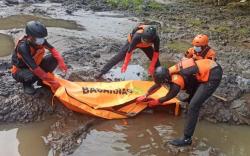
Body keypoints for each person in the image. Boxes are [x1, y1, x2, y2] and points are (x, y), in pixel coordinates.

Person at [137, 58, 223, 146]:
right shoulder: (167, 72)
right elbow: (158, 83)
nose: (162, 84)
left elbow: (169, 96)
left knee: (193, 106)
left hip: (213, 74)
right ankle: (192, 97)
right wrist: (146, 94)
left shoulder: (177, 82)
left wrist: (157, 102)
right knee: (191, 88)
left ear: (165, 80)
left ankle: (187, 139)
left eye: (163, 83)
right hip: (207, 65)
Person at [11, 21, 67, 95]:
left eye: (42, 37)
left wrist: (61, 62)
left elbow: (52, 50)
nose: (42, 39)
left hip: (35, 64)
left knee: (54, 58)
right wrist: (51, 80)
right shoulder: (23, 47)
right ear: (30, 36)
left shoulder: (39, 41)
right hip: (20, 70)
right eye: (39, 37)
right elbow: (34, 68)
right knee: (32, 75)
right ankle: (27, 84)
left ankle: (42, 81)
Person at [96, 24, 161, 78]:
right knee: (120, 56)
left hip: (147, 47)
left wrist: (152, 66)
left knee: (156, 62)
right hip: (133, 43)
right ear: (142, 36)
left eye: (147, 41)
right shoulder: (137, 36)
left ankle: (161, 76)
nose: (144, 42)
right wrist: (125, 64)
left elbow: (156, 53)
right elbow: (129, 51)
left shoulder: (156, 39)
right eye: (144, 40)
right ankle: (102, 72)